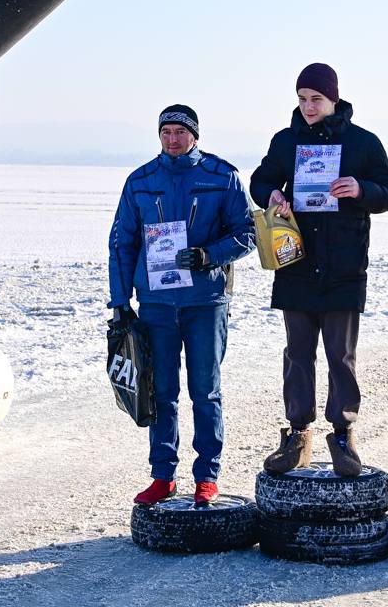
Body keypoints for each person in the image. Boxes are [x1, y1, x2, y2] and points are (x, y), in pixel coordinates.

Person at [250, 63, 388, 476]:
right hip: (296, 264)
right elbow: (259, 181)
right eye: (302, 99)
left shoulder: (364, 143)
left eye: (316, 99)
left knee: (341, 356)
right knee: (297, 354)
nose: (308, 106)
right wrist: (274, 193)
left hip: (344, 268)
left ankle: (343, 435)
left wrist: (360, 189)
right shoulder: (285, 142)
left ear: (334, 99)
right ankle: (297, 435)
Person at [108, 105, 255, 506]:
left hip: (205, 302)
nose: (173, 139)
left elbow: (247, 233)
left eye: (180, 132)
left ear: (194, 135)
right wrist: (120, 301)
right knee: (161, 392)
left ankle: (207, 475)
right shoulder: (140, 181)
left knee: (205, 391)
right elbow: (122, 243)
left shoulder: (221, 176)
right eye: (166, 131)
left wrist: (209, 255)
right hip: (156, 305)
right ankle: (163, 475)